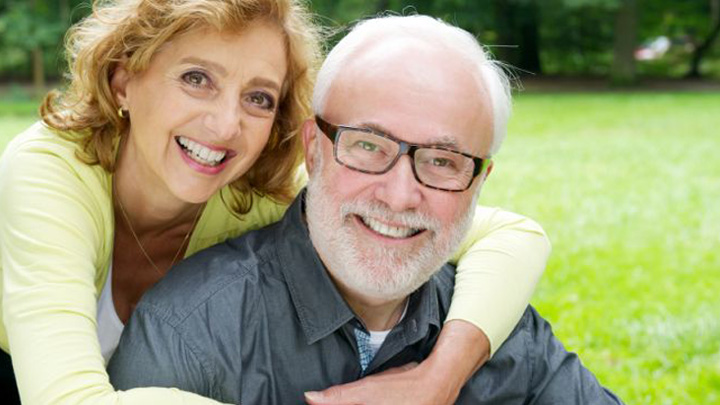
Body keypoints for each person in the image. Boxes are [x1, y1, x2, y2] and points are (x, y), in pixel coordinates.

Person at [0, 1, 549, 404]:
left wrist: (439, 377)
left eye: (258, 98)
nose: (224, 125)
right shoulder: (50, 172)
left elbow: (511, 235)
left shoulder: (246, 193)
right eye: (196, 79)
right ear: (124, 81)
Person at [107, 14, 622, 405]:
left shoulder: (502, 330)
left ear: (479, 182)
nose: (399, 197)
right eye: (369, 146)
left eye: (443, 161)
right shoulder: (191, 335)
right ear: (313, 149)